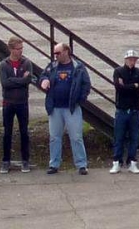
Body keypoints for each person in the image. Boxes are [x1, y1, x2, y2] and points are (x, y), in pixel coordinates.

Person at [39, 42, 91, 175]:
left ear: (66, 51)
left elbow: (86, 84)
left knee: (76, 137)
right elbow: (42, 76)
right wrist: (43, 81)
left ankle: (81, 164)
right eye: (54, 53)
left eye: (58, 53)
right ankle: (54, 164)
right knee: (54, 137)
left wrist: (80, 99)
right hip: (55, 107)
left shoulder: (78, 66)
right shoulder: (52, 66)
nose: (56, 56)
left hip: (71, 108)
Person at [0, 36, 33, 174]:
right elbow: (5, 83)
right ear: (11, 49)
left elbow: (28, 80)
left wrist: (16, 81)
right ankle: (5, 160)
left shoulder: (26, 63)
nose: (20, 51)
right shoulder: (4, 64)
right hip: (8, 103)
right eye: (18, 49)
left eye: (21, 48)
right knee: (7, 132)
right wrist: (20, 79)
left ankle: (25, 160)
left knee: (24, 132)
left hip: (22, 102)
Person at [110, 49, 139, 174]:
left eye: (134, 59)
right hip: (122, 109)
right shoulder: (118, 71)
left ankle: (132, 162)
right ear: (125, 59)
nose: (132, 61)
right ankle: (117, 162)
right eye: (130, 59)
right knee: (118, 137)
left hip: (135, 109)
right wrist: (134, 86)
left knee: (134, 137)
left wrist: (128, 86)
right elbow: (119, 88)